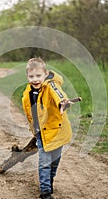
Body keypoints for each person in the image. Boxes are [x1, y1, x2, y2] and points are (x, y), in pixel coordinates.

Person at [22, 57, 74, 199]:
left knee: (55, 161)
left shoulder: (50, 85)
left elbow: (58, 94)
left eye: (38, 76)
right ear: (27, 77)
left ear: (45, 74)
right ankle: (45, 191)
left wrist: (63, 102)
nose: (35, 79)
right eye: (31, 76)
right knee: (44, 162)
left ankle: (49, 181)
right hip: (41, 133)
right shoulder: (28, 92)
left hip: (56, 131)